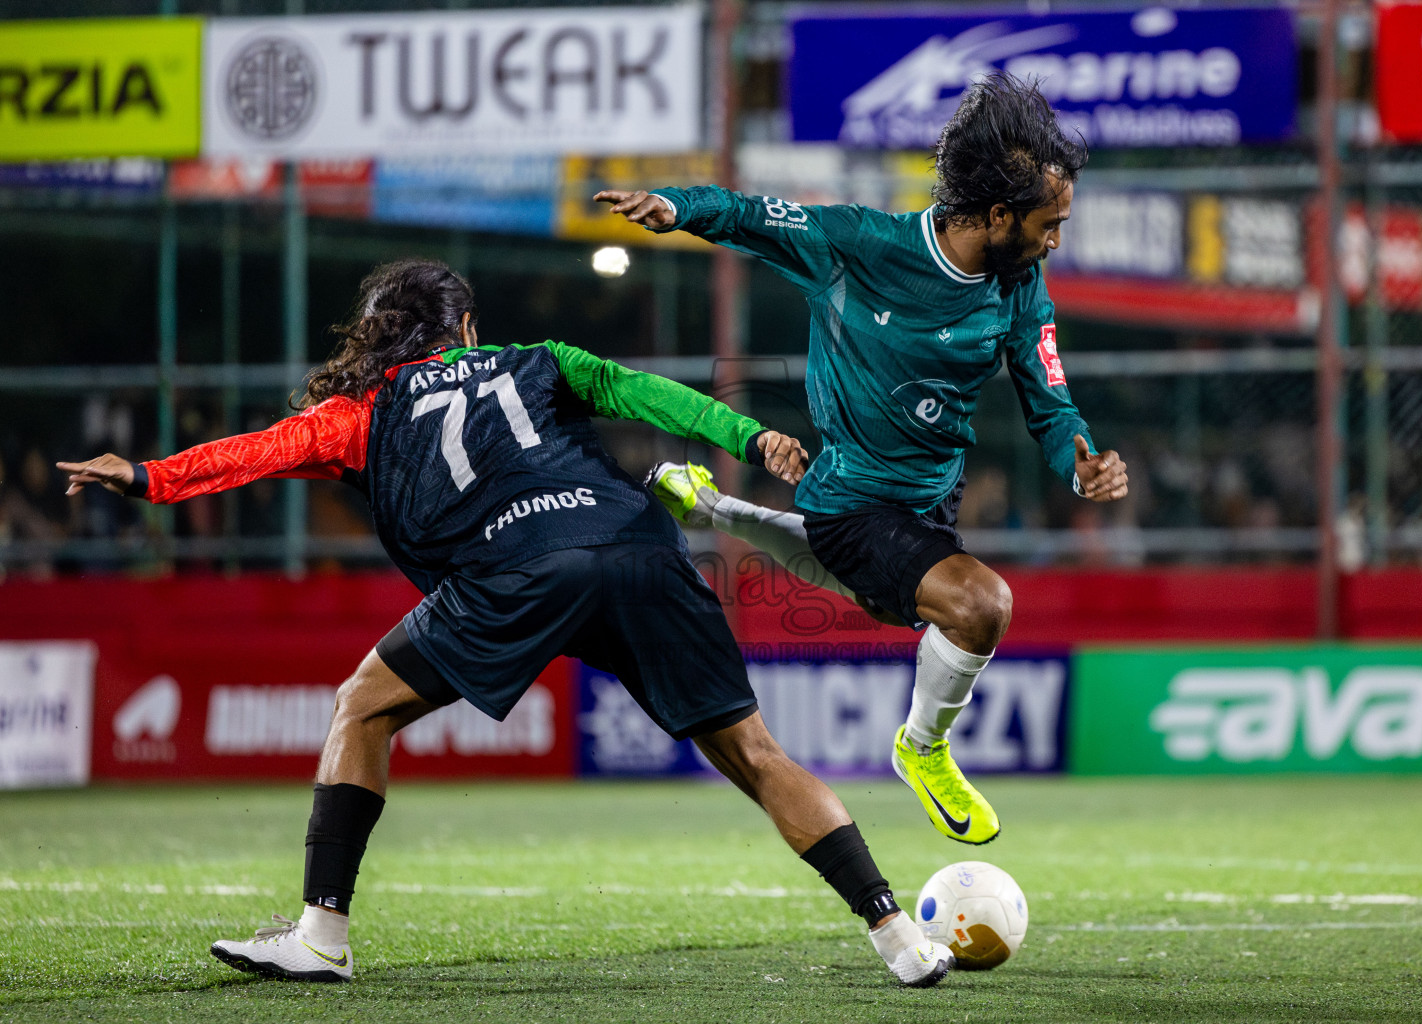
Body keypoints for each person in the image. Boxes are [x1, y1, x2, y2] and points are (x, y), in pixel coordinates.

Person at [58, 258, 954, 988]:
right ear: (468, 330)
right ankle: (895, 934)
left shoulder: (357, 413)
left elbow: (252, 455)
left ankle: (321, 937)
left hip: (516, 568)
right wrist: (752, 438)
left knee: (361, 708)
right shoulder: (545, 359)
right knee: (757, 755)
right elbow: (653, 397)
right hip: (635, 543)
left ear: (377, 335)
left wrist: (143, 477)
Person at [598, 74, 1129, 847]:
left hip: (930, 503)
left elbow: (1048, 398)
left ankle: (711, 506)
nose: (1057, 241)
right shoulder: (860, 245)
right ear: (998, 214)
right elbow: (753, 216)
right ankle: (923, 750)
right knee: (979, 605)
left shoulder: (1020, 285)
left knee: (893, 606)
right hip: (852, 500)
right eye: (1051, 225)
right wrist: (679, 207)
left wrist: (1078, 458)